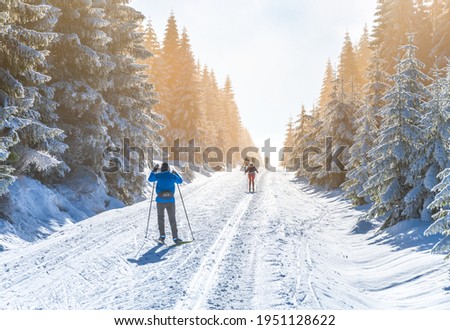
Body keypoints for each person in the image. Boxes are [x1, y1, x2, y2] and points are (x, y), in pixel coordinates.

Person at [148, 162, 183, 245]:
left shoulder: (158, 175)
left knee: (160, 218)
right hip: (170, 201)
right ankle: (175, 238)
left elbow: (150, 179)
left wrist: (154, 170)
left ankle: (162, 237)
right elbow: (180, 181)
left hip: (160, 201)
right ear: (168, 169)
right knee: (172, 219)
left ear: (161, 169)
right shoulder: (172, 176)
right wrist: (176, 173)